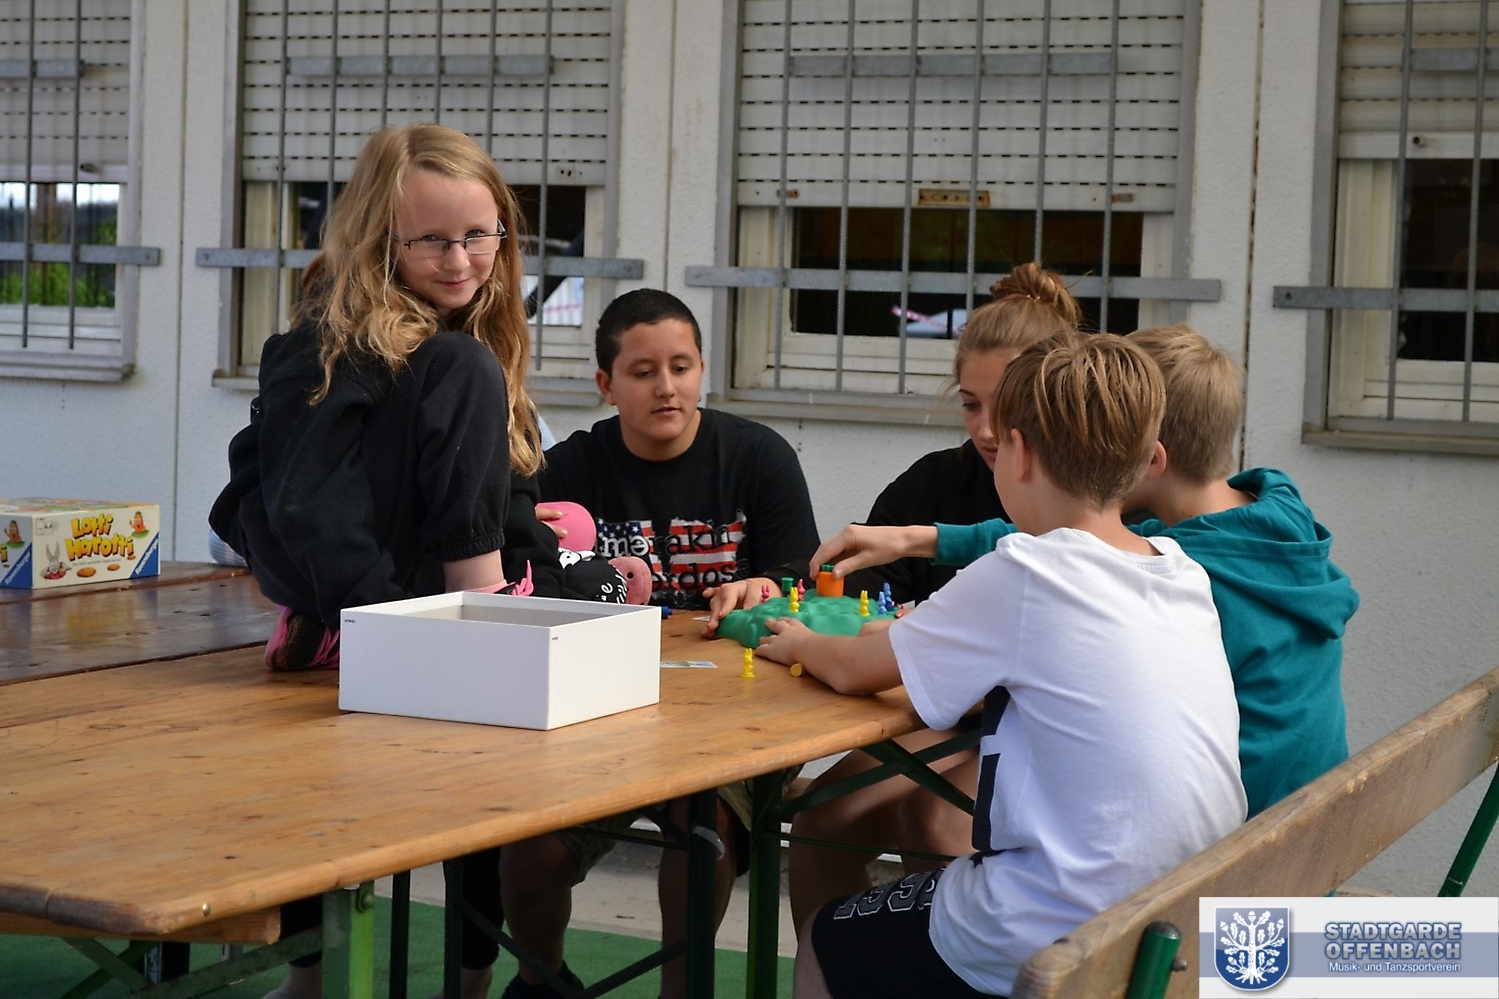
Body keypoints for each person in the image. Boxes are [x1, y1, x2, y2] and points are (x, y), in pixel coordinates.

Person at [756, 333, 1247, 998]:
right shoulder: (1180, 570)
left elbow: (853, 669)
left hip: (1053, 925)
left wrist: (798, 643)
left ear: (1018, 452)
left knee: (825, 937)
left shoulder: (1024, 571)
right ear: (1146, 461)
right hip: (1182, 908)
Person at [208, 121, 553, 999]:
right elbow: (308, 507)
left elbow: (510, 489)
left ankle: (470, 979)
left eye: (478, 235)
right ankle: (307, 979)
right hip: (362, 598)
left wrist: (557, 571)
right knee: (329, 797)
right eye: (430, 240)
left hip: (419, 590)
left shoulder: (479, 343)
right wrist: (386, 626)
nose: (459, 259)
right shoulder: (328, 345)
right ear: (378, 238)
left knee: (486, 795)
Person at [815, 323, 1358, 819]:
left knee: (937, 820)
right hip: (1306, 820)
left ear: (1149, 457)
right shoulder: (1262, 522)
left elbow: (1067, 572)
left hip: (1237, 834)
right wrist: (922, 538)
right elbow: (1079, 544)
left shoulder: (1186, 572)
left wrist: (916, 632)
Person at [493, 287, 820, 999]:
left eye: (681, 366)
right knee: (530, 846)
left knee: (700, 822)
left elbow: (804, 581)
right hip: (601, 708)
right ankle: (540, 980)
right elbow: (517, 575)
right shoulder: (567, 469)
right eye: (642, 372)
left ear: (702, 368)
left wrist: (766, 584)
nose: (666, 387)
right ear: (606, 384)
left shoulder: (758, 457)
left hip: (735, 714)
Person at [788, 263, 1082, 931]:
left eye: (1006, 405)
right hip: (949, 715)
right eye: (970, 404)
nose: (987, 429)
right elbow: (859, 609)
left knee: (934, 819)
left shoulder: (1085, 511)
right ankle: (839, 968)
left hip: (1031, 729)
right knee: (820, 820)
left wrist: (915, 640)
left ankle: (932, 963)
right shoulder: (933, 485)